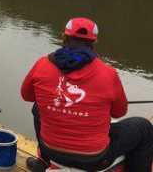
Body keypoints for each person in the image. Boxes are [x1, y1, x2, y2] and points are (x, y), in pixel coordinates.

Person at [21, 17, 153, 172]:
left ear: (64, 37)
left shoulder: (42, 64)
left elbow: (27, 96)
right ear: (93, 42)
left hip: (51, 151)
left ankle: (43, 161)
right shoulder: (108, 73)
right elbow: (119, 112)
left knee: (38, 106)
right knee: (143, 128)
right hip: (95, 159)